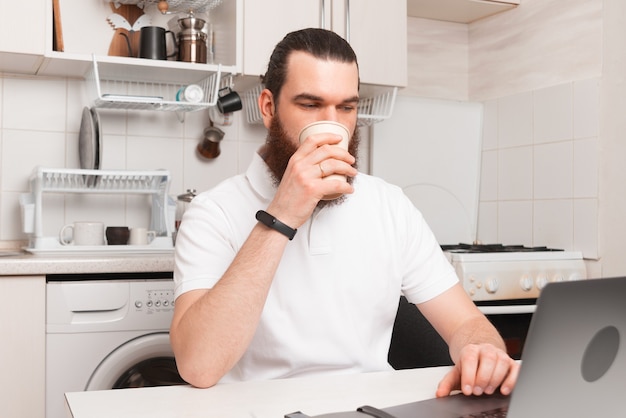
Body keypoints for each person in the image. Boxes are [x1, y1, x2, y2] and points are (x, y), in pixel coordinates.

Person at [170, 28, 519, 397]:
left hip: (368, 406)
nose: (333, 125)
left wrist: (482, 351)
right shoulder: (212, 212)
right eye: (310, 105)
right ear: (269, 108)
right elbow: (199, 366)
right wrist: (282, 215)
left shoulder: (389, 204)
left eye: (347, 107)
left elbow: (466, 322)